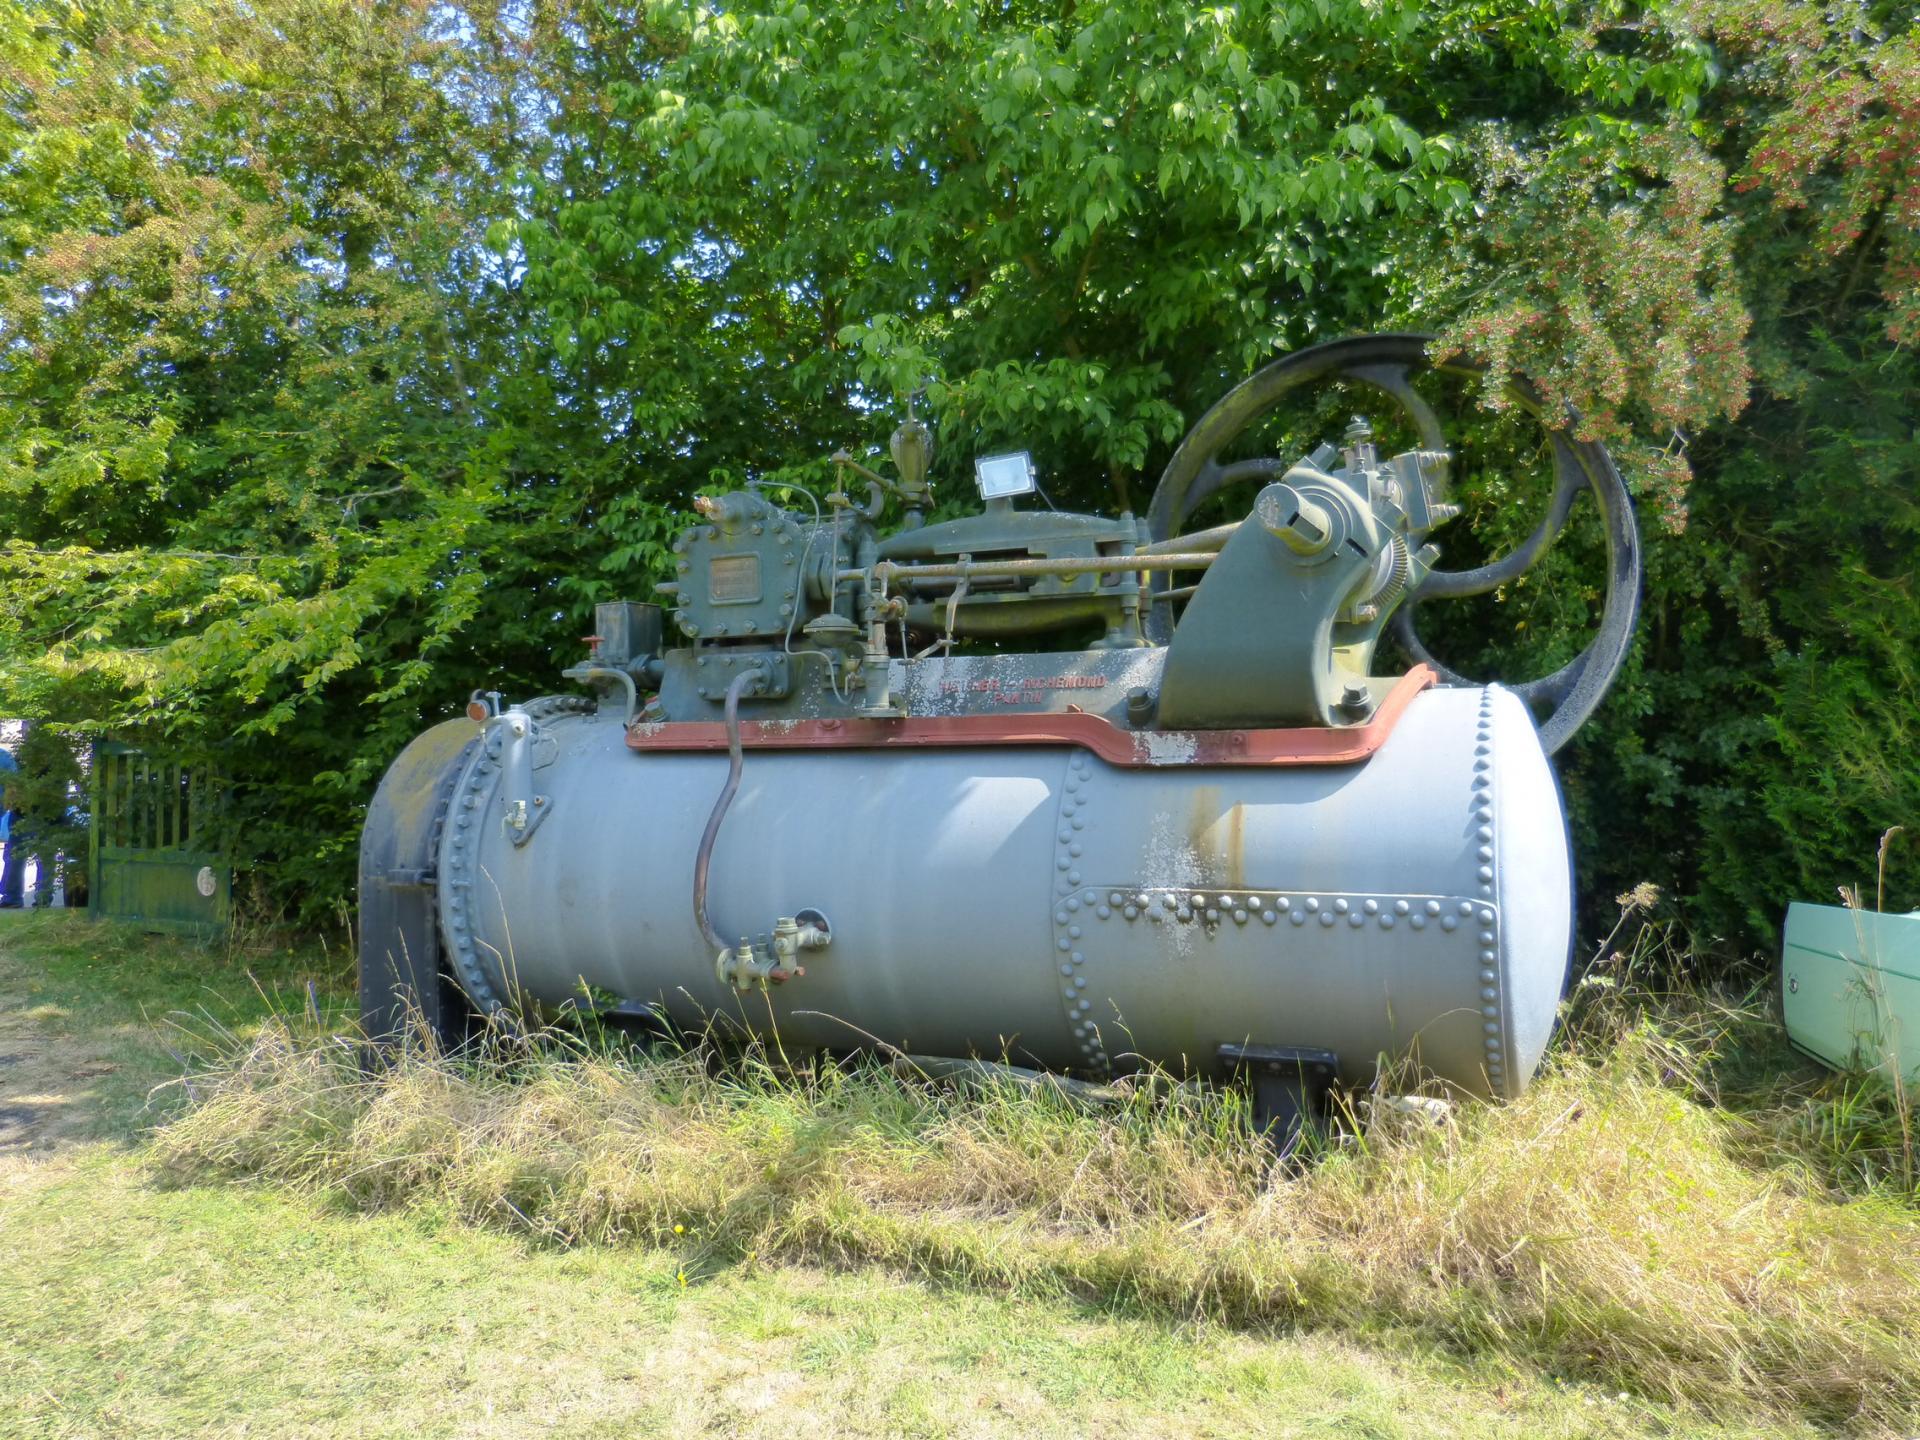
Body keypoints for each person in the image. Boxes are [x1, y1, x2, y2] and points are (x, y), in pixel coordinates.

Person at [0, 744, 20, 908]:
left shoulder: (5, 758)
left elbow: (12, 787)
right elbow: (12, 788)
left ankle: (11, 896)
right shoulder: (6, 757)